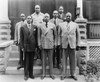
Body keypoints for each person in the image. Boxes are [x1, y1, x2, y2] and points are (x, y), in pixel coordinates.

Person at [59, 12, 79, 80]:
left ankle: (73, 74)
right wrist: (59, 43)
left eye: (69, 16)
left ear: (71, 17)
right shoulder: (61, 25)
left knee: (73, 60)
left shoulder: (75, 25)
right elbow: (59, 35)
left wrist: (78, 44)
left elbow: (78, 35)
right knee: (64, 60)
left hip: (72, 44)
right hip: (64, 44)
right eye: (67, 16)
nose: (68, 17)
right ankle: (63, 74)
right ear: (65, 17)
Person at [20, 16, 38, 80]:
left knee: (31, 61)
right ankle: (26, 75)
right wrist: (22, 47)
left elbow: (36, 38)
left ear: (32, 20)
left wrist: (36, 46)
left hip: (32, 46)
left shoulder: (35, 27)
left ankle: (31, 74)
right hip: (26, 47)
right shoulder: (22, 27)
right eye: (28, 18)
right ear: (26, 19)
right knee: (26, 62)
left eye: (30, 18)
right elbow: (21, 38)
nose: (29, 19)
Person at [39, 13, 56, 80]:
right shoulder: (40, 25)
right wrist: (39, 44)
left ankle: (51, 74)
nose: (46, 18)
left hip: (50, 44)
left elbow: (55, 35)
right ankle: (43, 73)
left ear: (49, 18)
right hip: (43, 44)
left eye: (47, 17)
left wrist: (54, 43)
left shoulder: (53, 25)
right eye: (45, 17)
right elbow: (38, 36)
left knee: (50, 60)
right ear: (43, 18)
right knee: (43, 60)